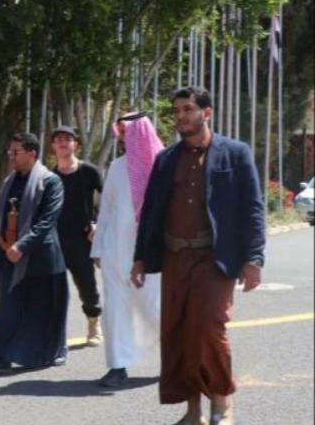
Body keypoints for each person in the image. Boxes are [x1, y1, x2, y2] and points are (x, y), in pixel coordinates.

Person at [132, 87, 265, 425]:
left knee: (208, 327)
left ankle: (222, 404)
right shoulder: (165, 159)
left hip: (214, 258)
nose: (180, 116)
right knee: (178, 333)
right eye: (176, 111)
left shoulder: (235, 153)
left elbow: (253, 209)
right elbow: (151, 212)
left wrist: (254, 258)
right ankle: (193, 412)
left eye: (188, 109)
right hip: (175, 257)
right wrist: (140, 257)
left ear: (207, 113)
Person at [0, 133, 68, 375]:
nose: (11, 156)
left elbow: (46, 221)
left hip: (41, 258)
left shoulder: (50, 182)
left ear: (32, 153)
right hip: (10, 256)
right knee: (9, 307)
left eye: (16, 152)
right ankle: (2, 358)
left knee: (43, 310)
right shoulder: (9, 182)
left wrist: (22, 246)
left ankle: (49, 352)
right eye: (10, 152)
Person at [90, 112, 164, 387]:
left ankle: (175, 359)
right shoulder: (117, 167)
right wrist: (98, 248)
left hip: (152, 254)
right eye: (119, 131)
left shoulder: (163, 164)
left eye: (126, 131)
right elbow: (106, 209)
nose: (122, 136)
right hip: (115, 250)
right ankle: (117, 365)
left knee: (156, 308)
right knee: (115, 309)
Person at [51, 125, 104, 346]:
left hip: (82, 239)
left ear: (76, 144)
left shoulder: (89, 171)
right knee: (53, 288)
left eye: (67, 139)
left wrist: (97, 223)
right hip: (55, 240)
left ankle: (94, 324)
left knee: (87, 286)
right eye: (58, 139)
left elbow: (108, 200)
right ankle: (54, 333)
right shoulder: (49, 176)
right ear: (53, 146)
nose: (63, 143)